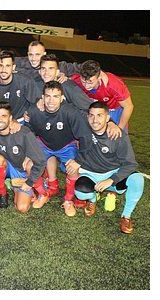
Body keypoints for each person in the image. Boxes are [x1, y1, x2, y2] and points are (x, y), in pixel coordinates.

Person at [66, 102, 144, 234]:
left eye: (99, 116)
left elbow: (131, 164)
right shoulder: (83, 127)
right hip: (90, 172)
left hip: (113, 173)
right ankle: (93, 199)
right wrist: (75, 161)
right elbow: (69, 103)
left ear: (108, 118)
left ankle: (126, 216)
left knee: (138, 179)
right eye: (91, 116)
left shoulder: (118, 135)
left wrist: (112, 180)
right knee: (80, 192)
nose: (95, 120)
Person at [24, 81, 93, 216]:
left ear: (62, 98)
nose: (51, 101)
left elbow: (85, 137)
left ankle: (68, 200)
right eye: (48, 96)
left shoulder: (71, 112)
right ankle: (44, 193)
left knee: (73, 168)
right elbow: (30, 132)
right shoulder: (33, 111)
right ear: (42, 97)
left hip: (66, 145)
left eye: (56, 96)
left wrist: (79, 160)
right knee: (29, 165)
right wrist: (29, 152)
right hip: (44, 143)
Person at [0, 101, 47, 211]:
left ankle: (43, 193)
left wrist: (29, 182)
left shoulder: (23, 133)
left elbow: (41, 161)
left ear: (10, 118)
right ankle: (2, 191)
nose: (0, 119)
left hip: (21, 170)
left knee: (22, 208)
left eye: (4, 116)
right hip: (7, 166)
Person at [71, 60, 134, 130]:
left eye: (90, 82)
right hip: (92, 110)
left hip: (114, 110)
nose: (86, 86)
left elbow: (128, 106)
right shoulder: (75, 80)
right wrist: (63, 77)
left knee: (116, 136)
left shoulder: (113, 84)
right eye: (83, 81)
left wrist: (119, 128)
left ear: (99, 77)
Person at [0, 50, 41, 123]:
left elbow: (38, 102)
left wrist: (29, 112)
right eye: (1, 66)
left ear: (13, 67)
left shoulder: (25, 81)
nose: (4, 70)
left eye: (8, 66)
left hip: (21, 121)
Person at [15, 40, 80, 81]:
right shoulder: (20, 62)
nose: (33, 58)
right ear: (27, 54)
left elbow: (81, 67)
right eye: (31, 55)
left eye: (37, 54)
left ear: (44, 54)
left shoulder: (58, 66)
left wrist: (68, 79)